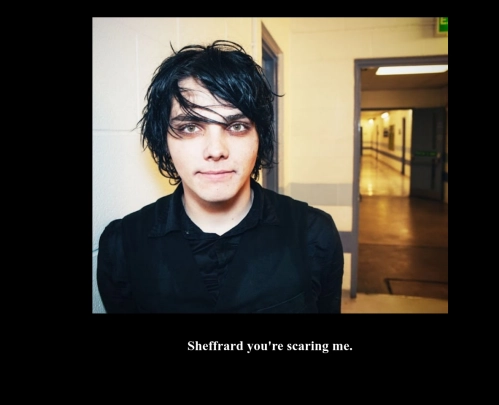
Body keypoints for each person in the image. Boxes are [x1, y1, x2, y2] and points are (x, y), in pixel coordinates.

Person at [97, 40, 344, 313]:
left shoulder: (313, 234)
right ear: (164, 141)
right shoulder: (122, 245)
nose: (216, 150)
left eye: (236, 126)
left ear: (259, 137)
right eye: (190, 127)